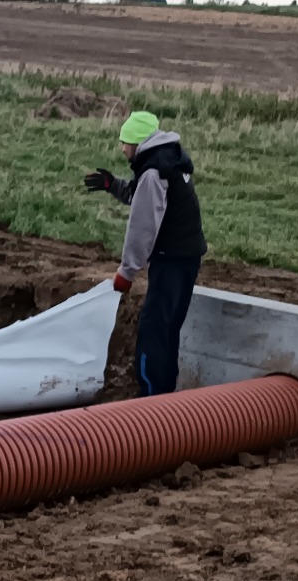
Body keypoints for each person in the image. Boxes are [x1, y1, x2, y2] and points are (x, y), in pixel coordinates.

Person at [83, 111, 207, 396]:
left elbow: (143, 227)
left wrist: (127, 272)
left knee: (153, 329)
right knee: (169, 327)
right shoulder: (169, 160)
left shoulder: (153, 172)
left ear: (138, 142)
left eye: (126, 142)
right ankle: (165, 396)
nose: (123, 148)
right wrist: (112, 185)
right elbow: (145, 197)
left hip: (171, 259)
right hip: (188, 256)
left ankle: (150, 400)